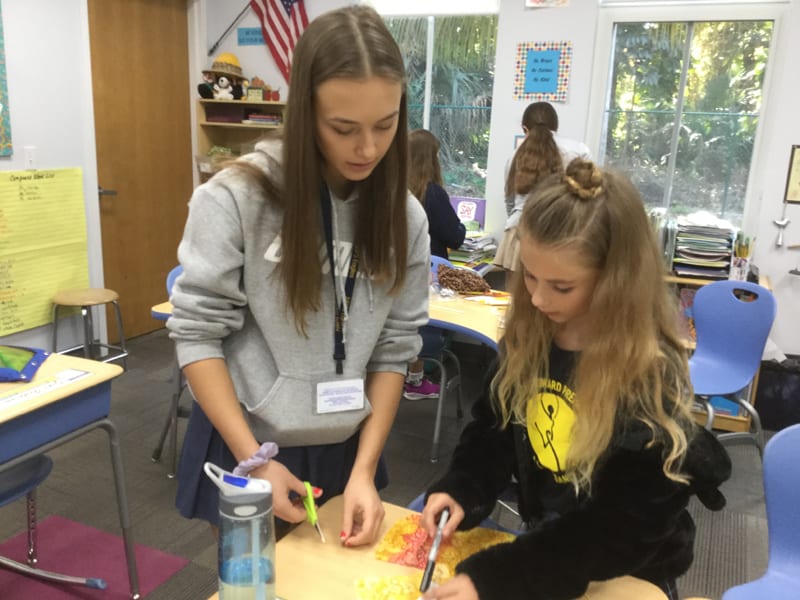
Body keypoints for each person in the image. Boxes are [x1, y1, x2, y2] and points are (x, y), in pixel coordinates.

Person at [167, 5, 431, 547]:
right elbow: (197, 334)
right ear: (305, 112)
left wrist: (365, 467)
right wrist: (253, 459)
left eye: (385, 126)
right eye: (343, 127)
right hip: (252, 441)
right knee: (257, 582)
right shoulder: (235, 197)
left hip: (349, 445)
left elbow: (394, 350)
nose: (367, 148)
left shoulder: (405, 217)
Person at [420, 159, 732, 600]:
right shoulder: (530, 335)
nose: (537, 297)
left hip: (629, 564)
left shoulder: (647, 370)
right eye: (530, 275)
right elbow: (492, 431)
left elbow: (618, 527)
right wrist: (462, 487)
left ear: (615, 282)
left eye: (562, 287)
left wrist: (498, 576)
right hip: (551, 548)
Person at [404, 129, 466, 400]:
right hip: (429, 276)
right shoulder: (433, 193)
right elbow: (455, 236)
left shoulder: (395, 190)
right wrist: (462, 228)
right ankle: (418, 377)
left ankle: (412, 378)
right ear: (431, 158)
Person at [493, 123, 563, 272]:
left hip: (517, 226)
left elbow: (509, 200)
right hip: (544, 230)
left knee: (513, 289)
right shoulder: (558, 164)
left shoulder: (516, 158)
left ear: (525, 130)